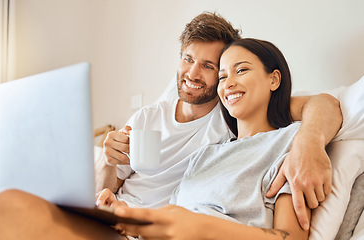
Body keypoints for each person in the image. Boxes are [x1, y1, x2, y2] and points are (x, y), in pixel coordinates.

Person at [96, 11, 342, 231]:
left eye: (209, 66)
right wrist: (109, 165)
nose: (193, 74)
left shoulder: (247, 123)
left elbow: (324, 104)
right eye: (188, 59)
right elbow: (114, 189)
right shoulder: (155, 121)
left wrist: (310, 143)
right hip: (128, 222)